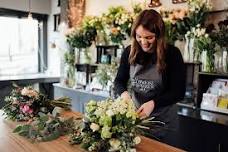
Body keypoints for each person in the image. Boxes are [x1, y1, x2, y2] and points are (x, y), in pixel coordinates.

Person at [114, 9, 186, 145]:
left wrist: (153, 103)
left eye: (149, 37)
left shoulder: (172, 54)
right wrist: (124, 94)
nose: (143, 42)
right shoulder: (129, 52)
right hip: (136, 121)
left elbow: (178, 92)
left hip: (164, 124)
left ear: (159, 36)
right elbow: (119, 80)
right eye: (139, 36)